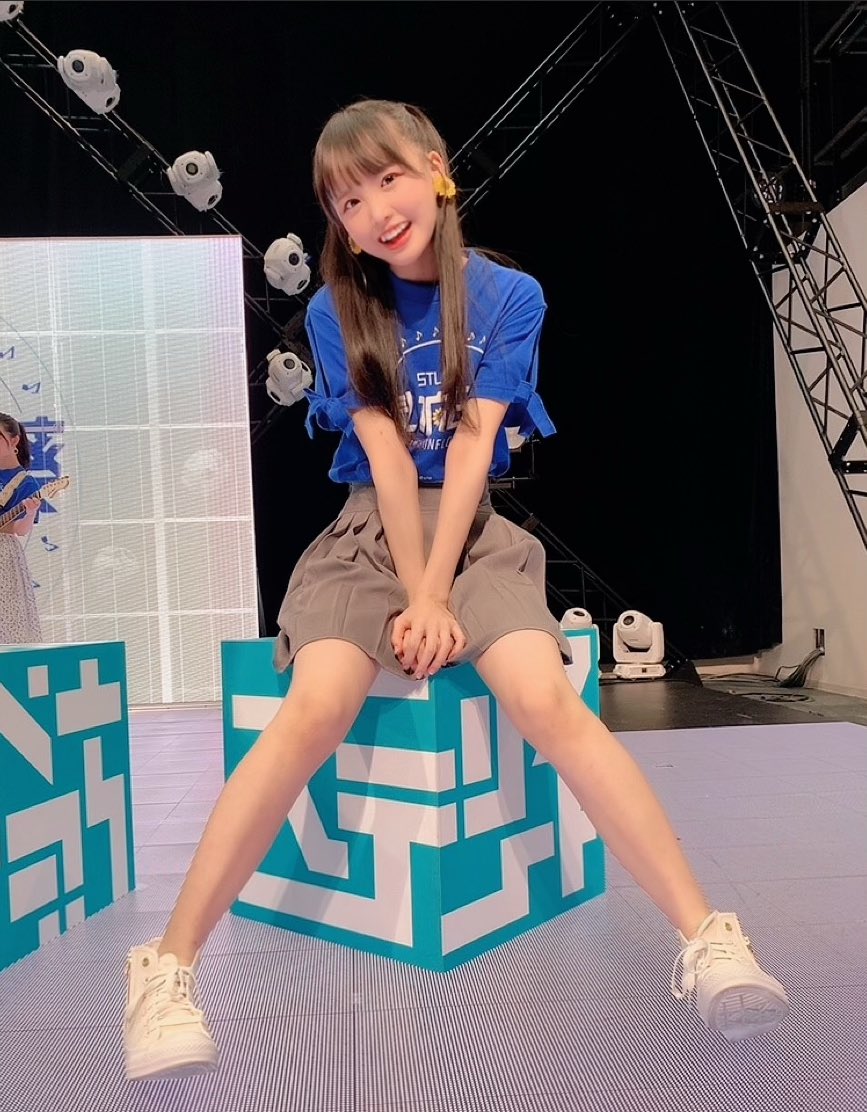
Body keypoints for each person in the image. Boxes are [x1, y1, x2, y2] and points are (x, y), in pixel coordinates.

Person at [123, 99, 789, 1081]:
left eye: (388, 177)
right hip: (366, 533)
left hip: (475, 535)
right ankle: (166, 967)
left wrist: (437, 591)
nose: (375, 210)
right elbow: (390, 462)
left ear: (436, 168)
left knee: (544, 699)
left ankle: (708, 937)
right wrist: (412, 591)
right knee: (315, 706)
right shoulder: (336, 308)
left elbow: (474, 445)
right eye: (348, 200)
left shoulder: (509, 295)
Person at [0, 413, 42, 644]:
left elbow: (21, 529)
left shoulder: (25, 482)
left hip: (3, 556)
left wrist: (31, 511)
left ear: (14, 440)